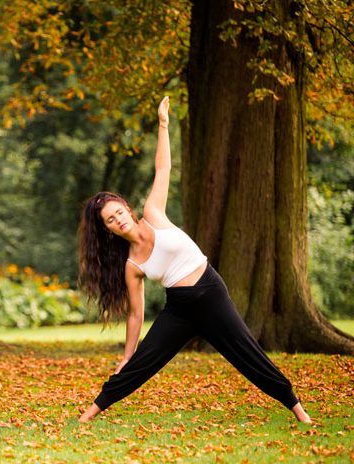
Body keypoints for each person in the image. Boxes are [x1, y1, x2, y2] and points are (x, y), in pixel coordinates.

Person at [76, 96, 311, 424]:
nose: (118, 220)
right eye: (110, 221)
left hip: (210, 292)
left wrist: (163, 124)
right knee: (143, 363)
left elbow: (163, 168)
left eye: (118, 212)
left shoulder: (153, 214)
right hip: (181, 308)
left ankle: (300, 412)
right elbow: (135, 315)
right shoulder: (132, 265)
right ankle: (88, 415)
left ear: (127, 209)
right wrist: (127, 355)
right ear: (109, 231)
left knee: (247, 355)